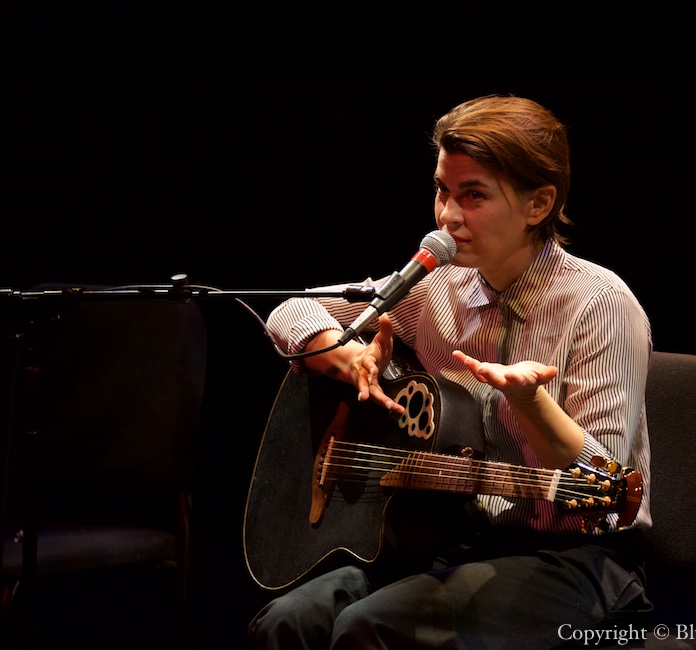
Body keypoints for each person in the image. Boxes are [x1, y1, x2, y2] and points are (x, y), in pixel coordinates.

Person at [249, 94, 654, 649]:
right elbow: (291, 310)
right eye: (442, 190)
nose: (447, 216)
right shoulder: (437, 287)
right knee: (287, 621)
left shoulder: (600, 303)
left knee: (370, 627)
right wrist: (349, 360)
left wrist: (532, 406)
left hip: (577, 559)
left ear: (538, 204)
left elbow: (599, 476)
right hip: (450, 539)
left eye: (473, 196)